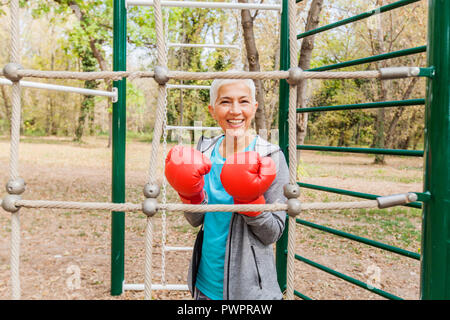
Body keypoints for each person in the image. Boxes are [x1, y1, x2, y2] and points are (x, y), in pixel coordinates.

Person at [164, 78, 289, 300]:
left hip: (251, 292)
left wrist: (250, 201)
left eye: (243, 101)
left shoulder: (271, 156)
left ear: (254, 107)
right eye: (225, 102)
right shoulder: (204, 150)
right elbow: (196, 221)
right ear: (213, 110)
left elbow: (272, 233)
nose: (235, 111)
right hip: (205, 285)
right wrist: (189, 194)